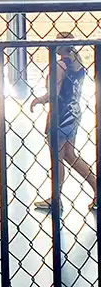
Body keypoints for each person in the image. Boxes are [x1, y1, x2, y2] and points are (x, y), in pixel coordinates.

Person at [30, 33, 98, 210]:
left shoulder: (59, 65)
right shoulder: (79, 65)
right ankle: (97, 187)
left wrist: (39, 100)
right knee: (69, 154)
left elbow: (54, 93)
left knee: (57, 156)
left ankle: (56, 198)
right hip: (74, 112)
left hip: (60, 114)